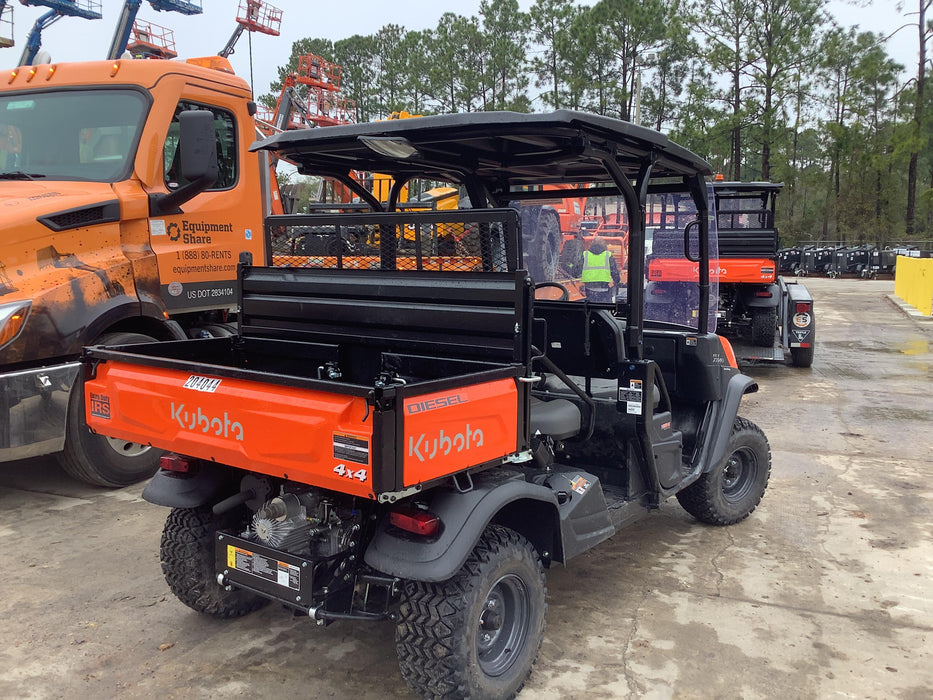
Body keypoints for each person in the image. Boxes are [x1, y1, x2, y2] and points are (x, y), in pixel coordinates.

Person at [581, 237, 622, 302]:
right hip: (603, 288)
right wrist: (617, 281)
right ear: (604, 244)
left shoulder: (585, 254)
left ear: (591, 244)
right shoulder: (608, 255)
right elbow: (614, 271)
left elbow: (577, 269)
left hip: (589, 289)